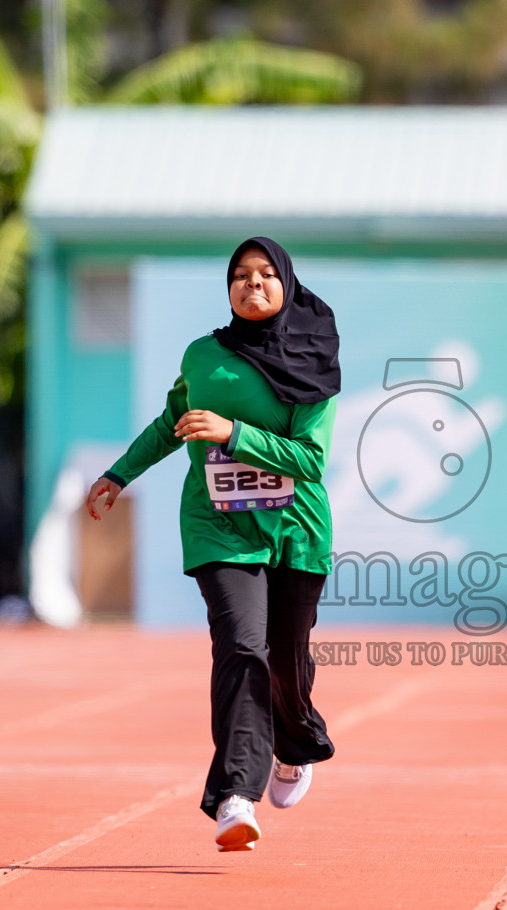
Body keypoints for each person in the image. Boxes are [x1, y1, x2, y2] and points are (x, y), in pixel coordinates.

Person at [86, 237, 340, 852]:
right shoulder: (203, 357)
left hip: (293, 530)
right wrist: (119, 473)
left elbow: (310, 459)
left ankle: (293, 742)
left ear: (287, 285)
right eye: (240, 277)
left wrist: (233, 432)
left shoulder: (312, 358)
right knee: (240, 647)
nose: (252, 286)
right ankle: (235, 796)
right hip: (217, 526)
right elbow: (171, 421)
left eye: (265, 277)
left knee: (286, 662)